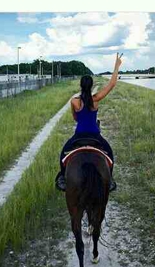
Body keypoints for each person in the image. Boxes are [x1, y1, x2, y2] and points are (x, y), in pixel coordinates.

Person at [55, 52, 123, 191]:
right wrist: (116, 66)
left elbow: (75, 118)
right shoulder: (95, 99)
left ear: (80, 85)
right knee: (109, 153)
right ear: (91, 85)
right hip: (95, 135)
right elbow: (112, 84)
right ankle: (109, 179)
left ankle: (62, 177)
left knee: (63, 154)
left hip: (79, 135)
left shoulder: (74, 101)